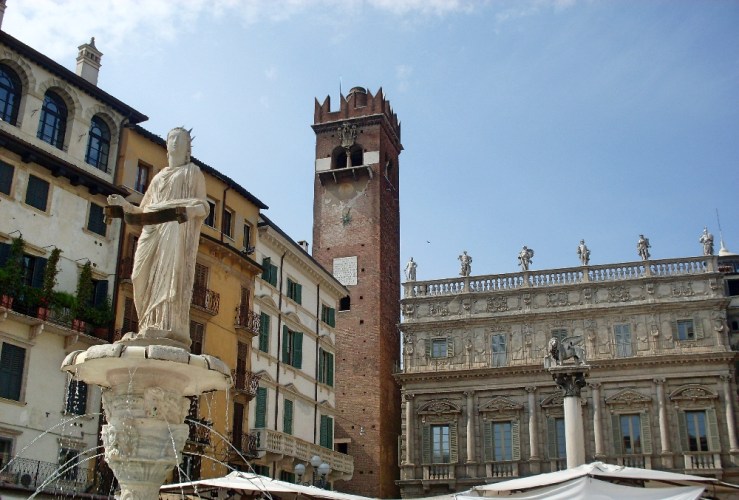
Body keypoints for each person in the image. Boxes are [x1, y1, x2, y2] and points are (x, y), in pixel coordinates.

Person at [107, 127, 208, 349]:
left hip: (175, 226)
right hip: (152, 228)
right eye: (172, 138)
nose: (175, 141)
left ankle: (167, 325)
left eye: (180, 139)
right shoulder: (159, 177)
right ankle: (146, 323)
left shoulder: (192, 172)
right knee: (138, 275)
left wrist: (188, 211)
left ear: (188, 147)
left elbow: (203, 205)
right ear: (166, 144)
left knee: (169, 274)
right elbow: (143, 210)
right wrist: (124, 205)